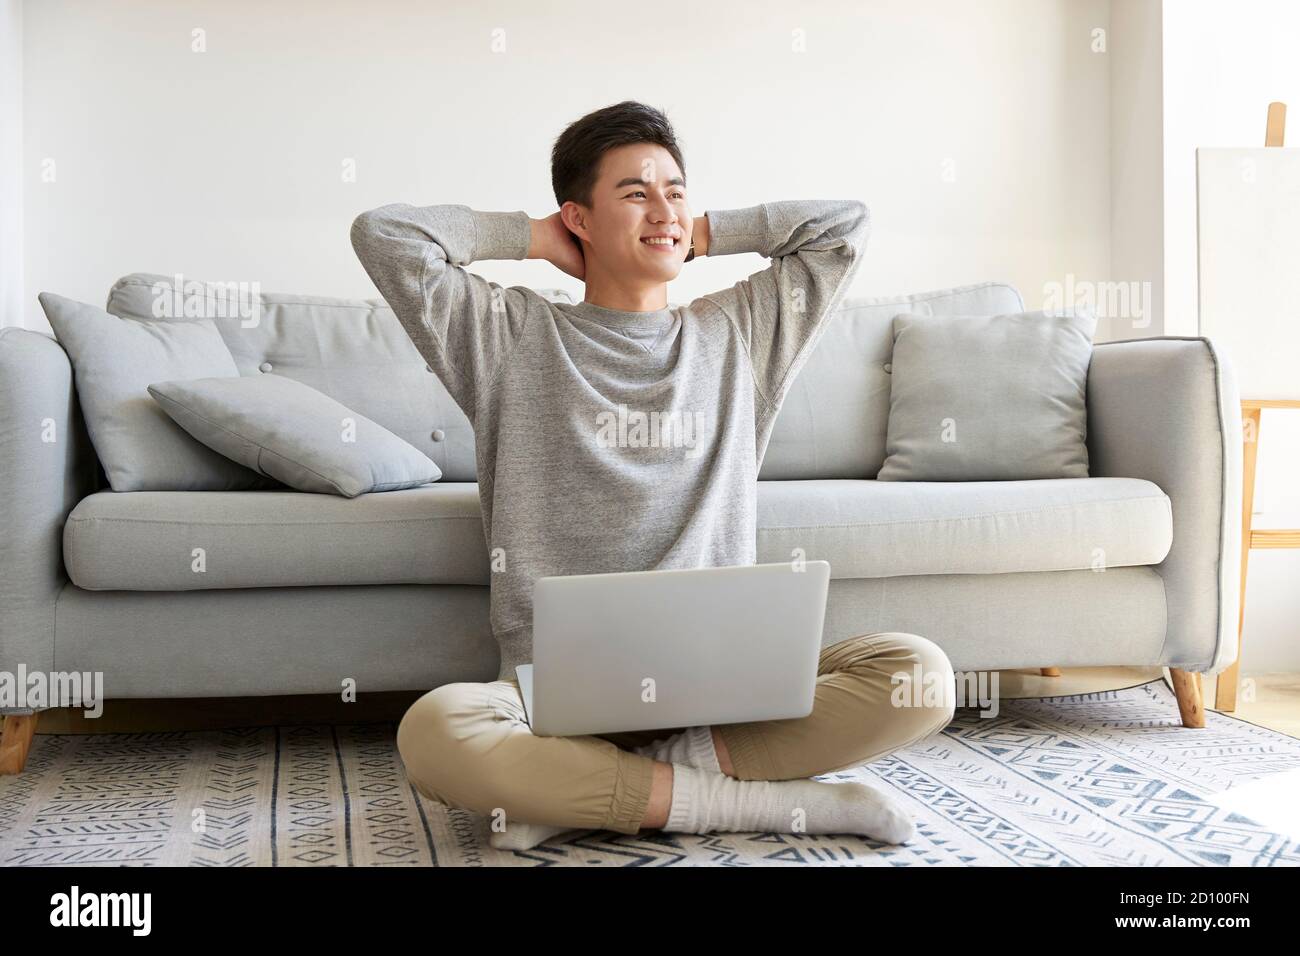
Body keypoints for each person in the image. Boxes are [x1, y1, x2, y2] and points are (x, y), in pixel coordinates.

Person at [350, 100, 955, 851]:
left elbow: (843, 228)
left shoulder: (738, 333)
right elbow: (385, 235)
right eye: (635, 193)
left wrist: (700, 234)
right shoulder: (510, 335)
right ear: (578, 216)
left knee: (919, 675)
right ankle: (744, 802)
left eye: (676, 190)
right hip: (554, 698)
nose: (664, 208)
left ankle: (599, 788)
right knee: (434, 731)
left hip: (723, 691)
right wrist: (538, 238)